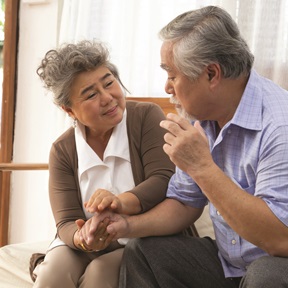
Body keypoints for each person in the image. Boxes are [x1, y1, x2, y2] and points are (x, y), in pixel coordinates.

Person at [79, 5, 288, 288]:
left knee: (266, 275)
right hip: (230, 265)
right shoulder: (205, 120)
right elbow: (184, 202)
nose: (167, 87)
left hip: (277, 265)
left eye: (172, 75)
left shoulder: (279, 125)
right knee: (144, 251)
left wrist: (201, 166)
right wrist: (126, 225)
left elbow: (280, 239)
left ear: (211, 74)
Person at [31, 40, 175, 288]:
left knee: (100, 273)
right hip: (85, 245)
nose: (108, 97)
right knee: (52, 273)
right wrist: (83, 238)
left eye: (109, 83)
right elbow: (66, 222)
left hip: (141, 239)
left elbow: (163, 179)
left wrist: (119, 202)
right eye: (91, 94)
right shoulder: (62, 150)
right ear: (69, 110)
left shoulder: (146, 117)